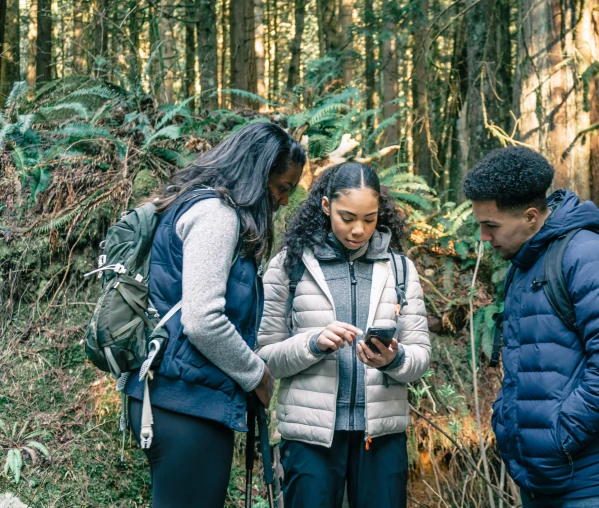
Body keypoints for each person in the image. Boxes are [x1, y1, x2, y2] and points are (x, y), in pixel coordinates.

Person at [123, 122, 306, 508]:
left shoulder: (198, 204)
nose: (284, 200)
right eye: (282, 187)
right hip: (185, 404)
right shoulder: (217, 215)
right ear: (257, 174)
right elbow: (203, 319)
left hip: (178, 397)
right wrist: (257, 374)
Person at [463, 147, 599, 507]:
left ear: (531, 216)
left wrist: (560, 436)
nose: (483, 236)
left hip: (590, 485)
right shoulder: (526, 261)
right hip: (540, 478)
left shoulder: (587, 255)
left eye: (491, 225)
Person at [256, 162, 431, 508]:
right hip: (310, 437)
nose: (358, 230)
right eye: (347, 217)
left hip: (381, 436)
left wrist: (394, 359)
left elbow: (421, 356)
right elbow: (264, 356)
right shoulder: (288, 266)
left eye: (369, 219)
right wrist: (312, 343)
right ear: (325, 206)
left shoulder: (399, 269)